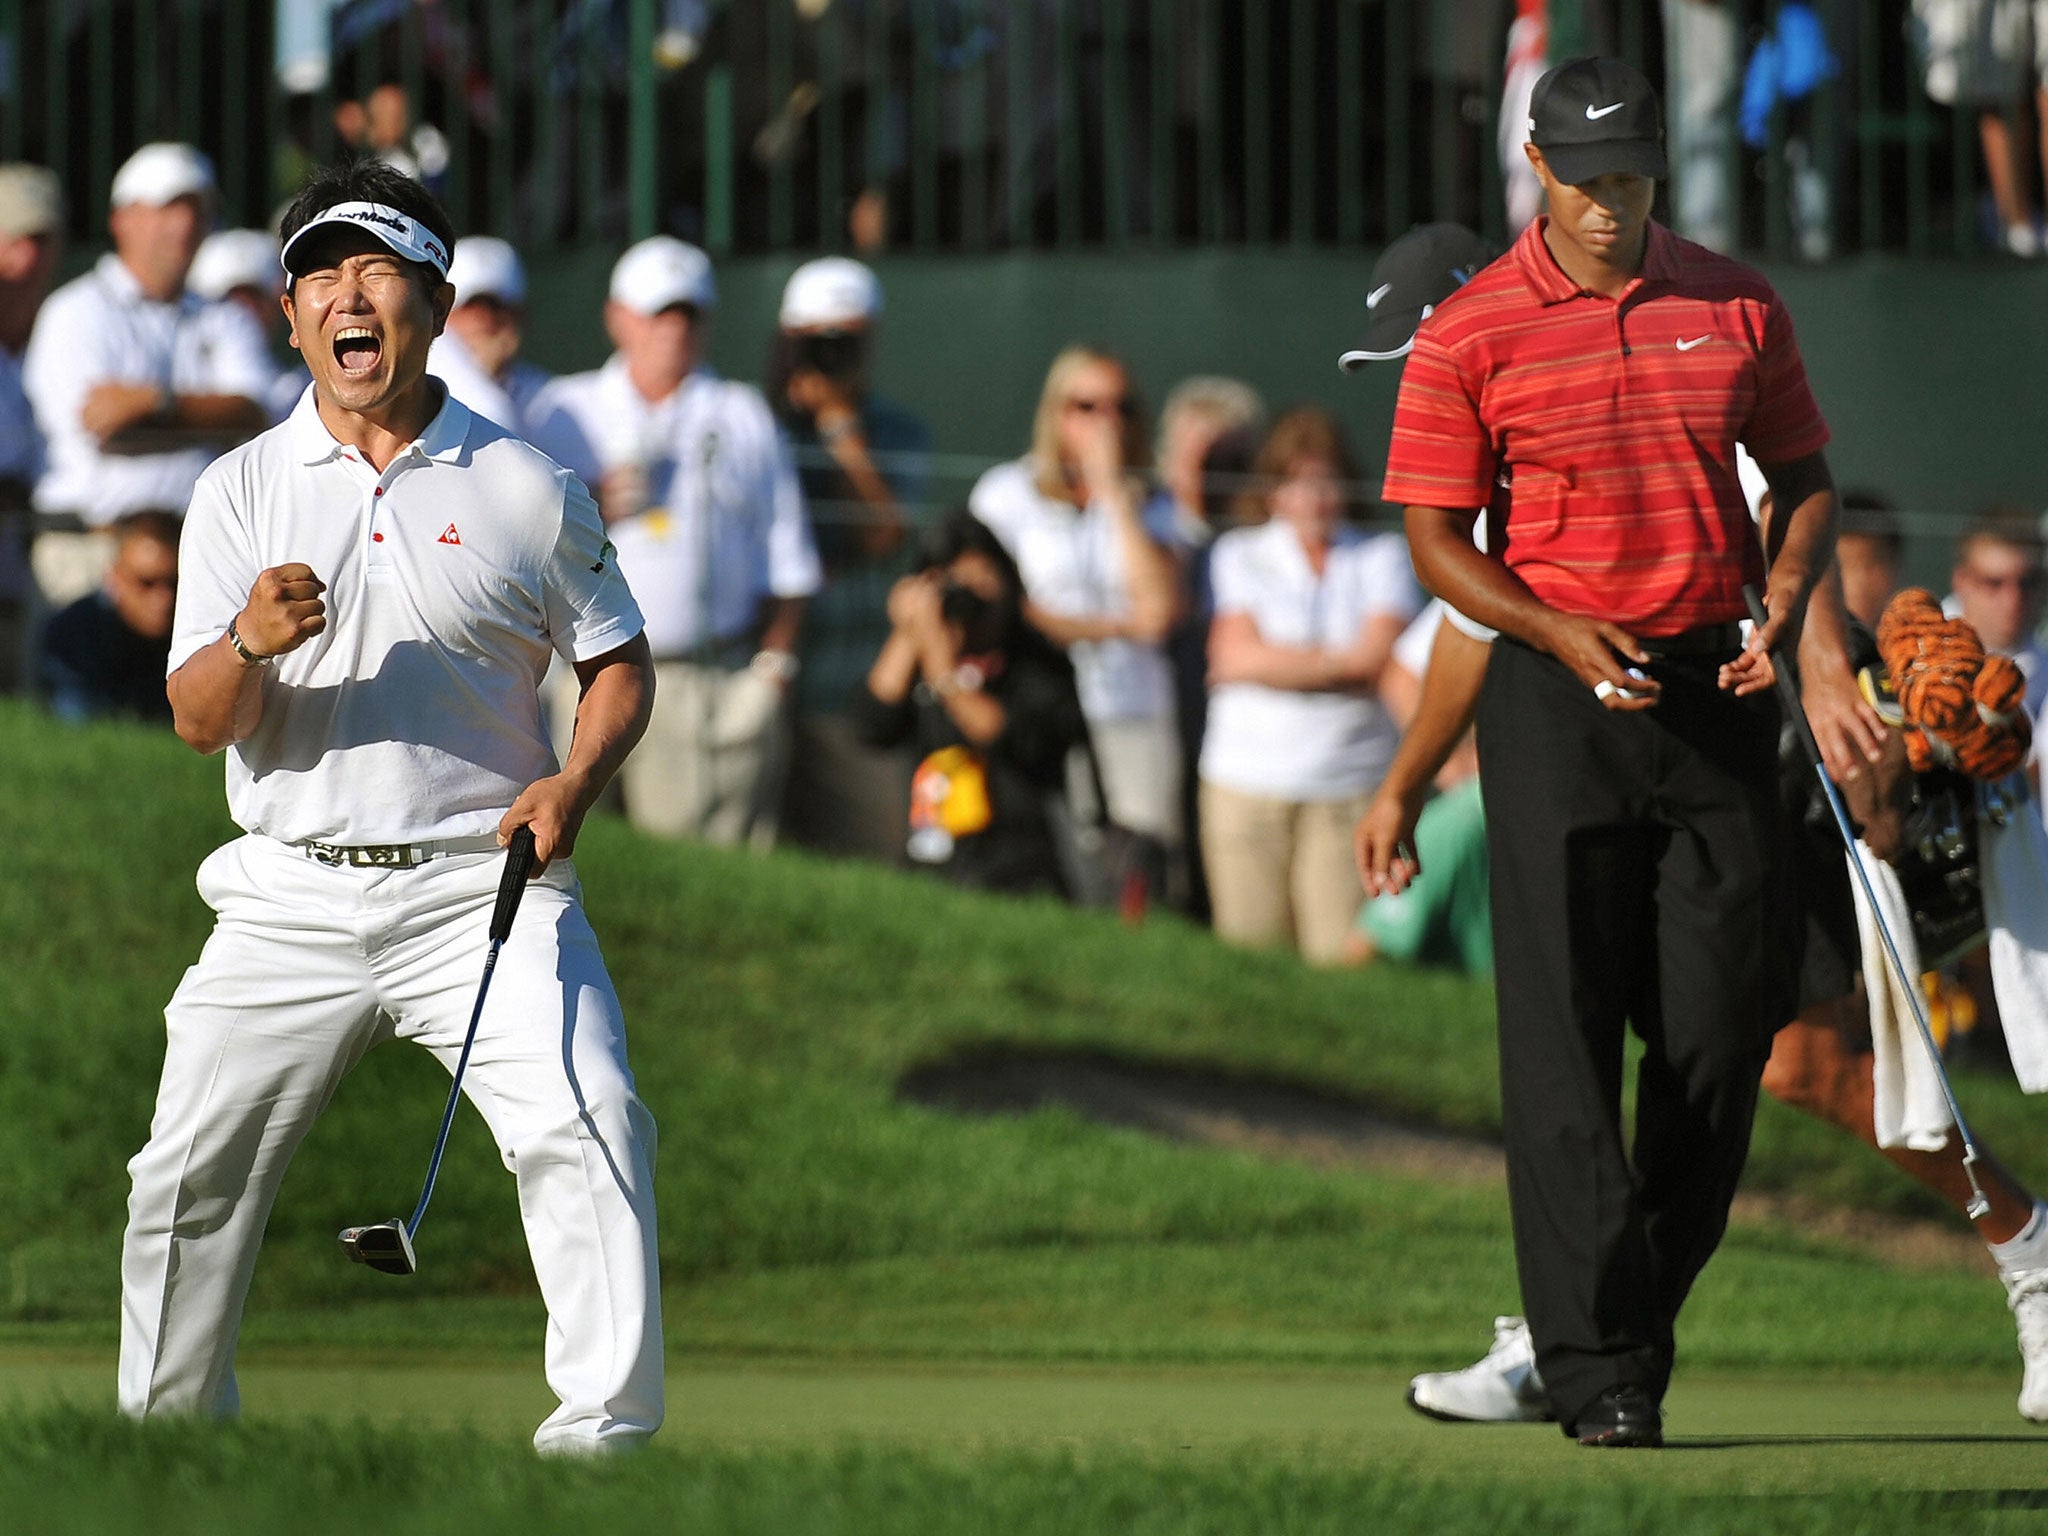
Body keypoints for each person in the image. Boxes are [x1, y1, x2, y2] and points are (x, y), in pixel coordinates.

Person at [117, 160, 663, 1456]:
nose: (347, 299)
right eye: (321, 277)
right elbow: (201, 720)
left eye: (378, 273)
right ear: (292, 316)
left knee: (589, 1121)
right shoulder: (240, 488)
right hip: (288, 894)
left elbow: (619, 663)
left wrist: (575, 782)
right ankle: (159, 1446)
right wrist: (248, 643)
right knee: (184, 1180)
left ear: (435, 302)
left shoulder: (526, 481)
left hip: (484, 884)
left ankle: (604, 1446)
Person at [1383, 56, 1839, 1448]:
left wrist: (1787, 592)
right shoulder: (1469, 332)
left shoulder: (1738, 302)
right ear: (1537, 165)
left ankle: (1612, 1326)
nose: (1608, 205)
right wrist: (1552, 626)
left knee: (1716, 1041)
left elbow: (1807, 482)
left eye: (1631, 176)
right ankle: (1599, 1378)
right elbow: (1439, 544)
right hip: (1554, 696)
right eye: (1586, 181)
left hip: (1713, 687)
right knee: (1566, 1047)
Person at [529, 236, 821, 847]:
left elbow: (788, 558)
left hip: (704, 681)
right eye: (659, 312)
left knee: (701, 880)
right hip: (579, 674)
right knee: (563, 867)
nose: (674, 329)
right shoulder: (562, 409)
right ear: (619, 318)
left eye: (688, 313)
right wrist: (594, 502)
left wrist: (771, 673)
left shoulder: (742, 412)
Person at [1197, 407, 1418, 964]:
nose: (1314, 497)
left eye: (1326, 482)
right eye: (1298, 482)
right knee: (1250, 959)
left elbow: (1377, 657)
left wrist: (1272, 663)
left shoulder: (1383, 555)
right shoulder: (1238, 553)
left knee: (1336, 957)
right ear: (1274, 491)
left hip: (1349, 787)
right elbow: (1232, 652)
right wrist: (1341, 665)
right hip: (1245, 785)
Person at [968, 346, 1185, 905]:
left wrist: (1113, 492)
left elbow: (1159, 613)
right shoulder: (1006, 493)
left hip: (1133, 710)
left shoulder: (1155, 503)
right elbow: (1007, 610)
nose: (1105, 422)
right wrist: (1118, 625)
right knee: (1054, 867)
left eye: (1122, 407)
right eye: (1087, 406)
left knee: (1139, 870)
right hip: (1041, 704)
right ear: (1055, 412)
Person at [23, 143, 273, 607]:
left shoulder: (224, 316)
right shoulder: (75, 311)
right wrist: (212, 419)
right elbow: (104, 427)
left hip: (198, 552)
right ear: (122, 220)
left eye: (196, 210)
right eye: (166, 210)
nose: (183, 225)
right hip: (90, 550)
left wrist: (153, 403)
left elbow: (258, 416)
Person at [767, 255, 934, 862]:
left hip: (853, 685)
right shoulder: (757, 423)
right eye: (817, 342)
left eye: (847, 341)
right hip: (771, 676)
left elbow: (883, 534)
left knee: (875, 850)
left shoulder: (898, 431)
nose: (832, 355)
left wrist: (840, 430)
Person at [851, 508, 1087, 895]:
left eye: (982, 582)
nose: (969, 600)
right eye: (954, 586)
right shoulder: (927, 656)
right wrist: (910, 633)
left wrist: (944, 671)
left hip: (1020, 869)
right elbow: (873, 724)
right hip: (932, 865)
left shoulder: (1039, 664)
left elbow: (1010, 734)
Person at [0, 163, 61, 693]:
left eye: (40, 241)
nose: (27, 258)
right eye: (14, 240)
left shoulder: (62, 325)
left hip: (28, 538)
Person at [37, 510, 178, 724]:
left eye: (175, 584)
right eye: (146, 583)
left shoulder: (210, 630)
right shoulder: (75, 632)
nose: (163, 599)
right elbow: (77, 721)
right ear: (114, 577)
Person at [427, 236, 552, 441]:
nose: (485, 320)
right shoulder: (416, 388)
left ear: (521, 315)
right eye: (469, 308)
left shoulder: (548, 395)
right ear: (442, 312)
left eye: (497, 307)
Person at [187, 227, 307, 423]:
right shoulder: (185, 376)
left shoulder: (306, 382)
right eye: (229, 302)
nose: (244, 312)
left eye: (256, 298)